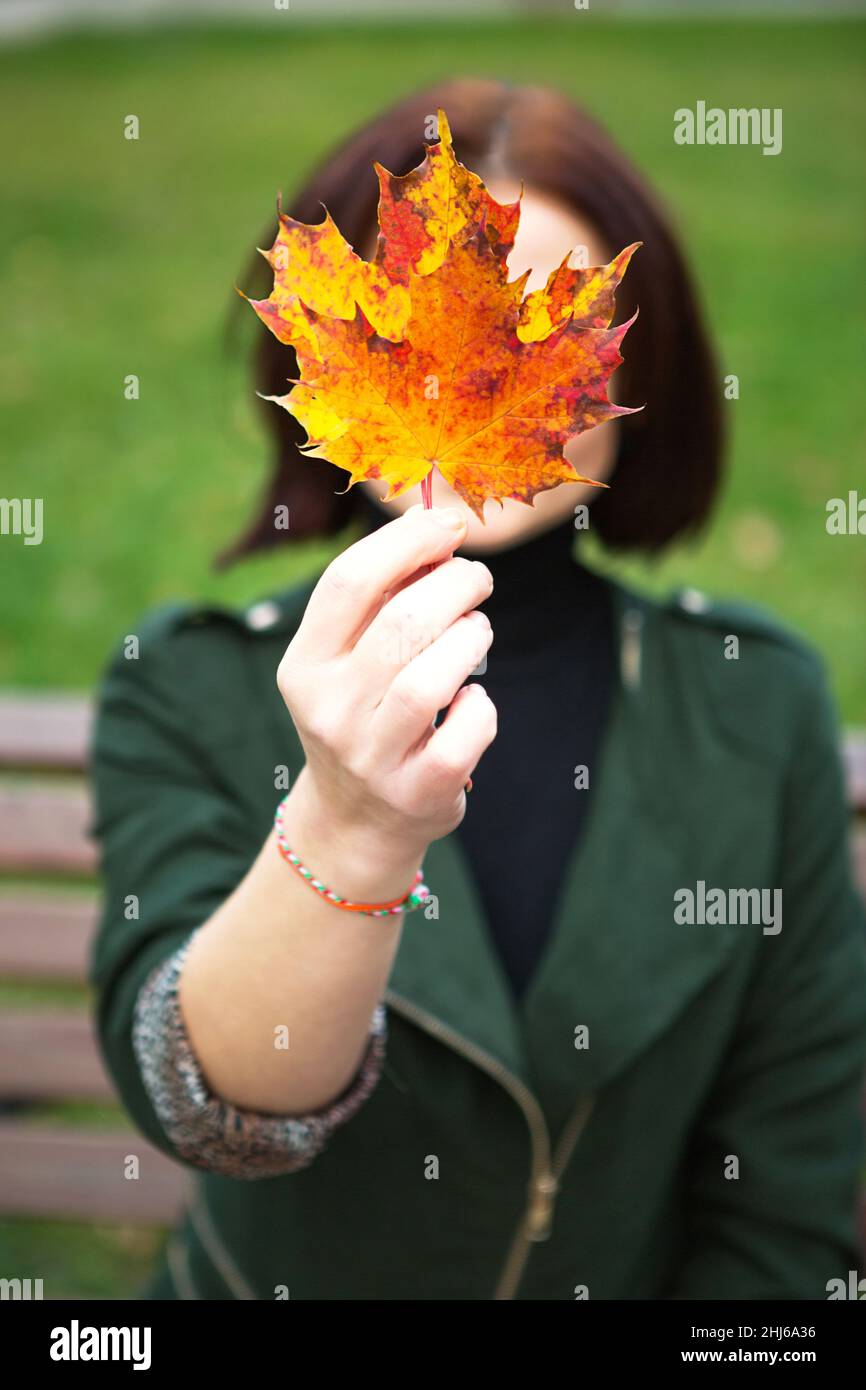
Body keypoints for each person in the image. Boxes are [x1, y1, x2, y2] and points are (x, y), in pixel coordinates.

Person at [89, 79, 866, 1301]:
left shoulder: (751, 707)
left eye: (531, 333)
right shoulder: (190, 680)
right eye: (412, 346)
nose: (458, 386)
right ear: (324, 349)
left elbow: (785, 1199)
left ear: (631, 360)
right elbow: (203, 1106)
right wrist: (346, 826)